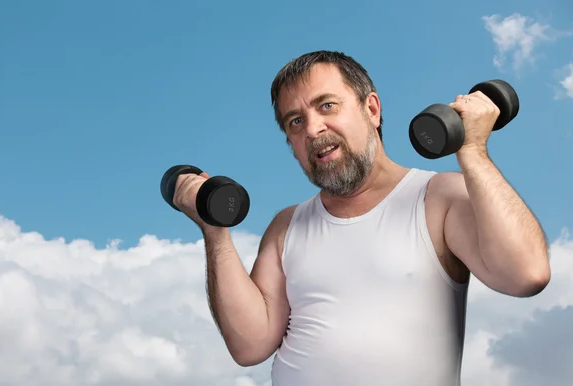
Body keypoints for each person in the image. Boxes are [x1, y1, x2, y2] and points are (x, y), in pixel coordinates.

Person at [172, 50, 551, 385]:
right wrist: (214, 231)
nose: (313, 129)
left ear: (371, 109)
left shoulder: (438, 197)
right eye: (295, 122)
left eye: (326, 106)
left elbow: (525, 274)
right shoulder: (286, 226)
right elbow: (249, 346)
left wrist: (472, 151)